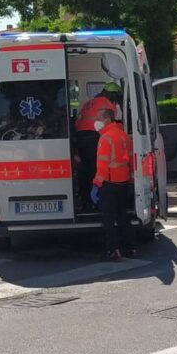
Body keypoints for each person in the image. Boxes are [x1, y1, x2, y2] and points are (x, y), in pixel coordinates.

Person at [92, 107, 135, 260]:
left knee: (109, 220)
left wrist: (96, 184)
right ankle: (128, 247)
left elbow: (102, 166)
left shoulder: (105, 138)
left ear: (107, 119)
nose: (95, 121)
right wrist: (130, 181)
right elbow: (130, 161)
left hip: (109, 184)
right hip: (123, 182)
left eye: (98, 118)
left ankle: (113, 250)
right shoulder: (124, 136)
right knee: (123, 217)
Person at [74, 82, 121, 210]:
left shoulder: (89, 103)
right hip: (94, 137)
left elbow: (77, 122)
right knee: (98, 170)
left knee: (85, 171)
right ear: (113, 94)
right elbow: (113, 123)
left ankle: (86, 202)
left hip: (81, 138)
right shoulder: (108, 104)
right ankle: (98, 201)